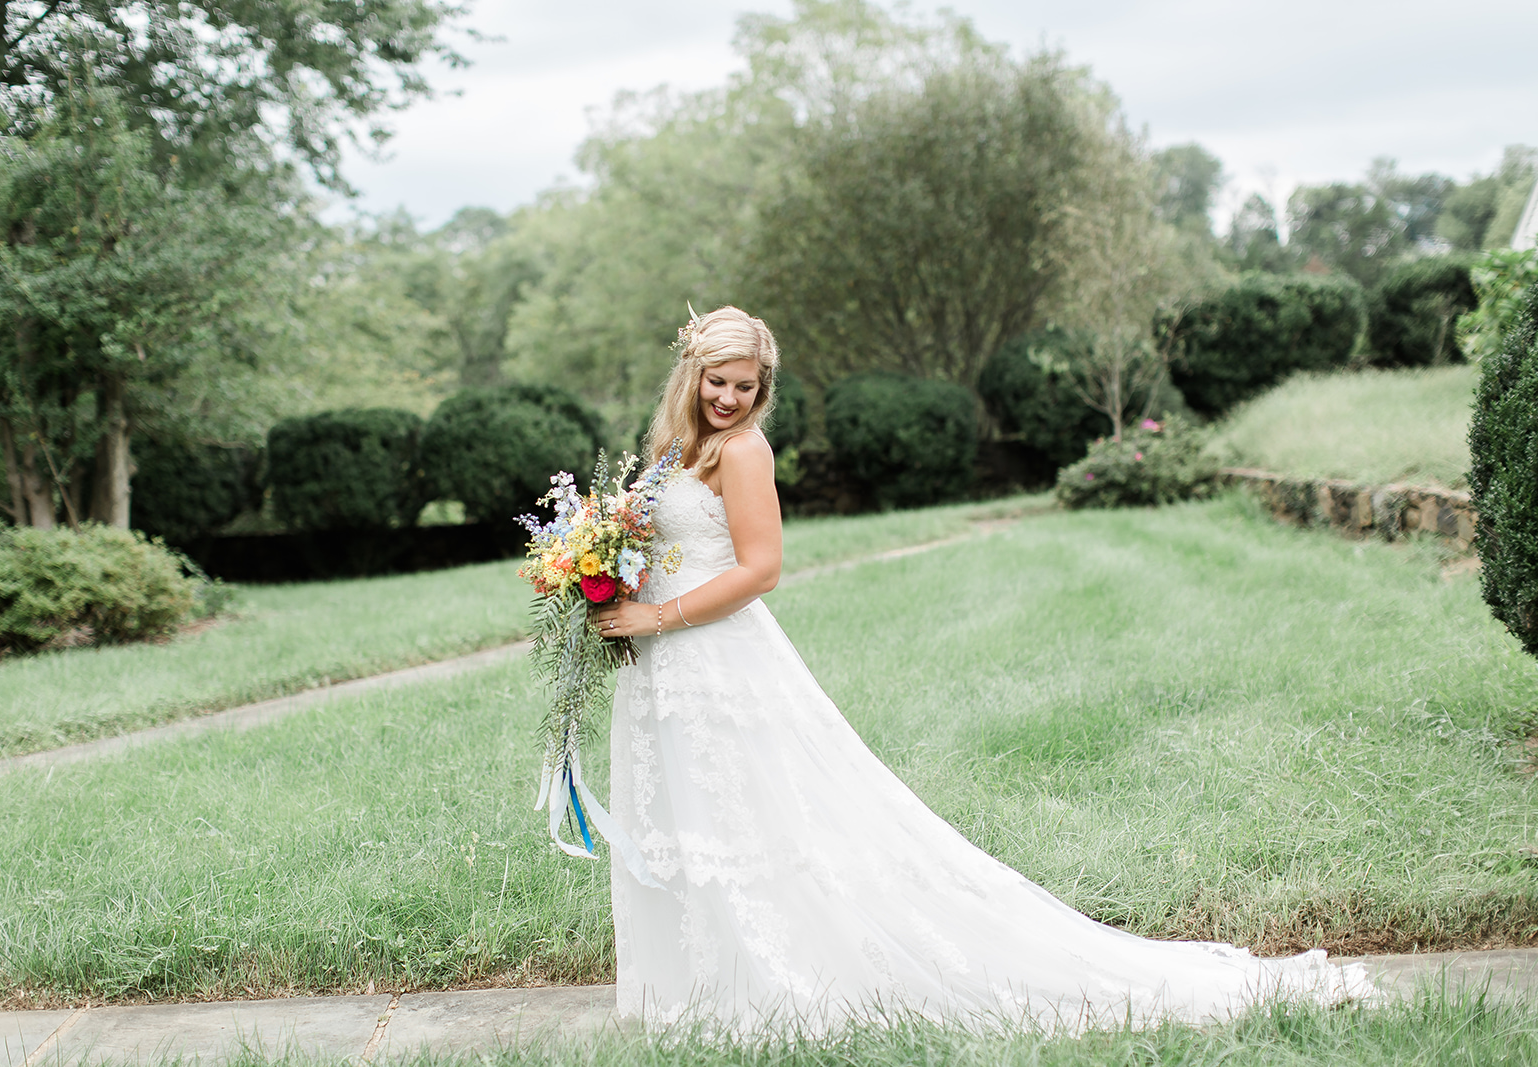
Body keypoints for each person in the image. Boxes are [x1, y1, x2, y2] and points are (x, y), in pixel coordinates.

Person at [586, 306, 1371, 1034]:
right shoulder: (670, 449)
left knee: (758, 821)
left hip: (718, 657)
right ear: (692, 375)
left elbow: (762, 569)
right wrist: (597, 579)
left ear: (763, 390)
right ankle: (700, 988)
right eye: (716, 382)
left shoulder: (745, 449)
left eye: (745, 387)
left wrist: (655, 614)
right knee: (693, 824)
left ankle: (776, 981)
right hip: (664, 668)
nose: (728, 397)